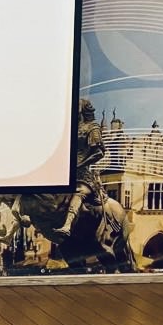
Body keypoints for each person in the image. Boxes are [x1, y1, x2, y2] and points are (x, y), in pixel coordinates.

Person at [51, 97, 106, 239]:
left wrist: (80, 164)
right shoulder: (70, 128)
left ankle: (67, 226)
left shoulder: (92, 127)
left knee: (79, 192)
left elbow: (99, 152)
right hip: (66, 172)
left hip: (83, 175)